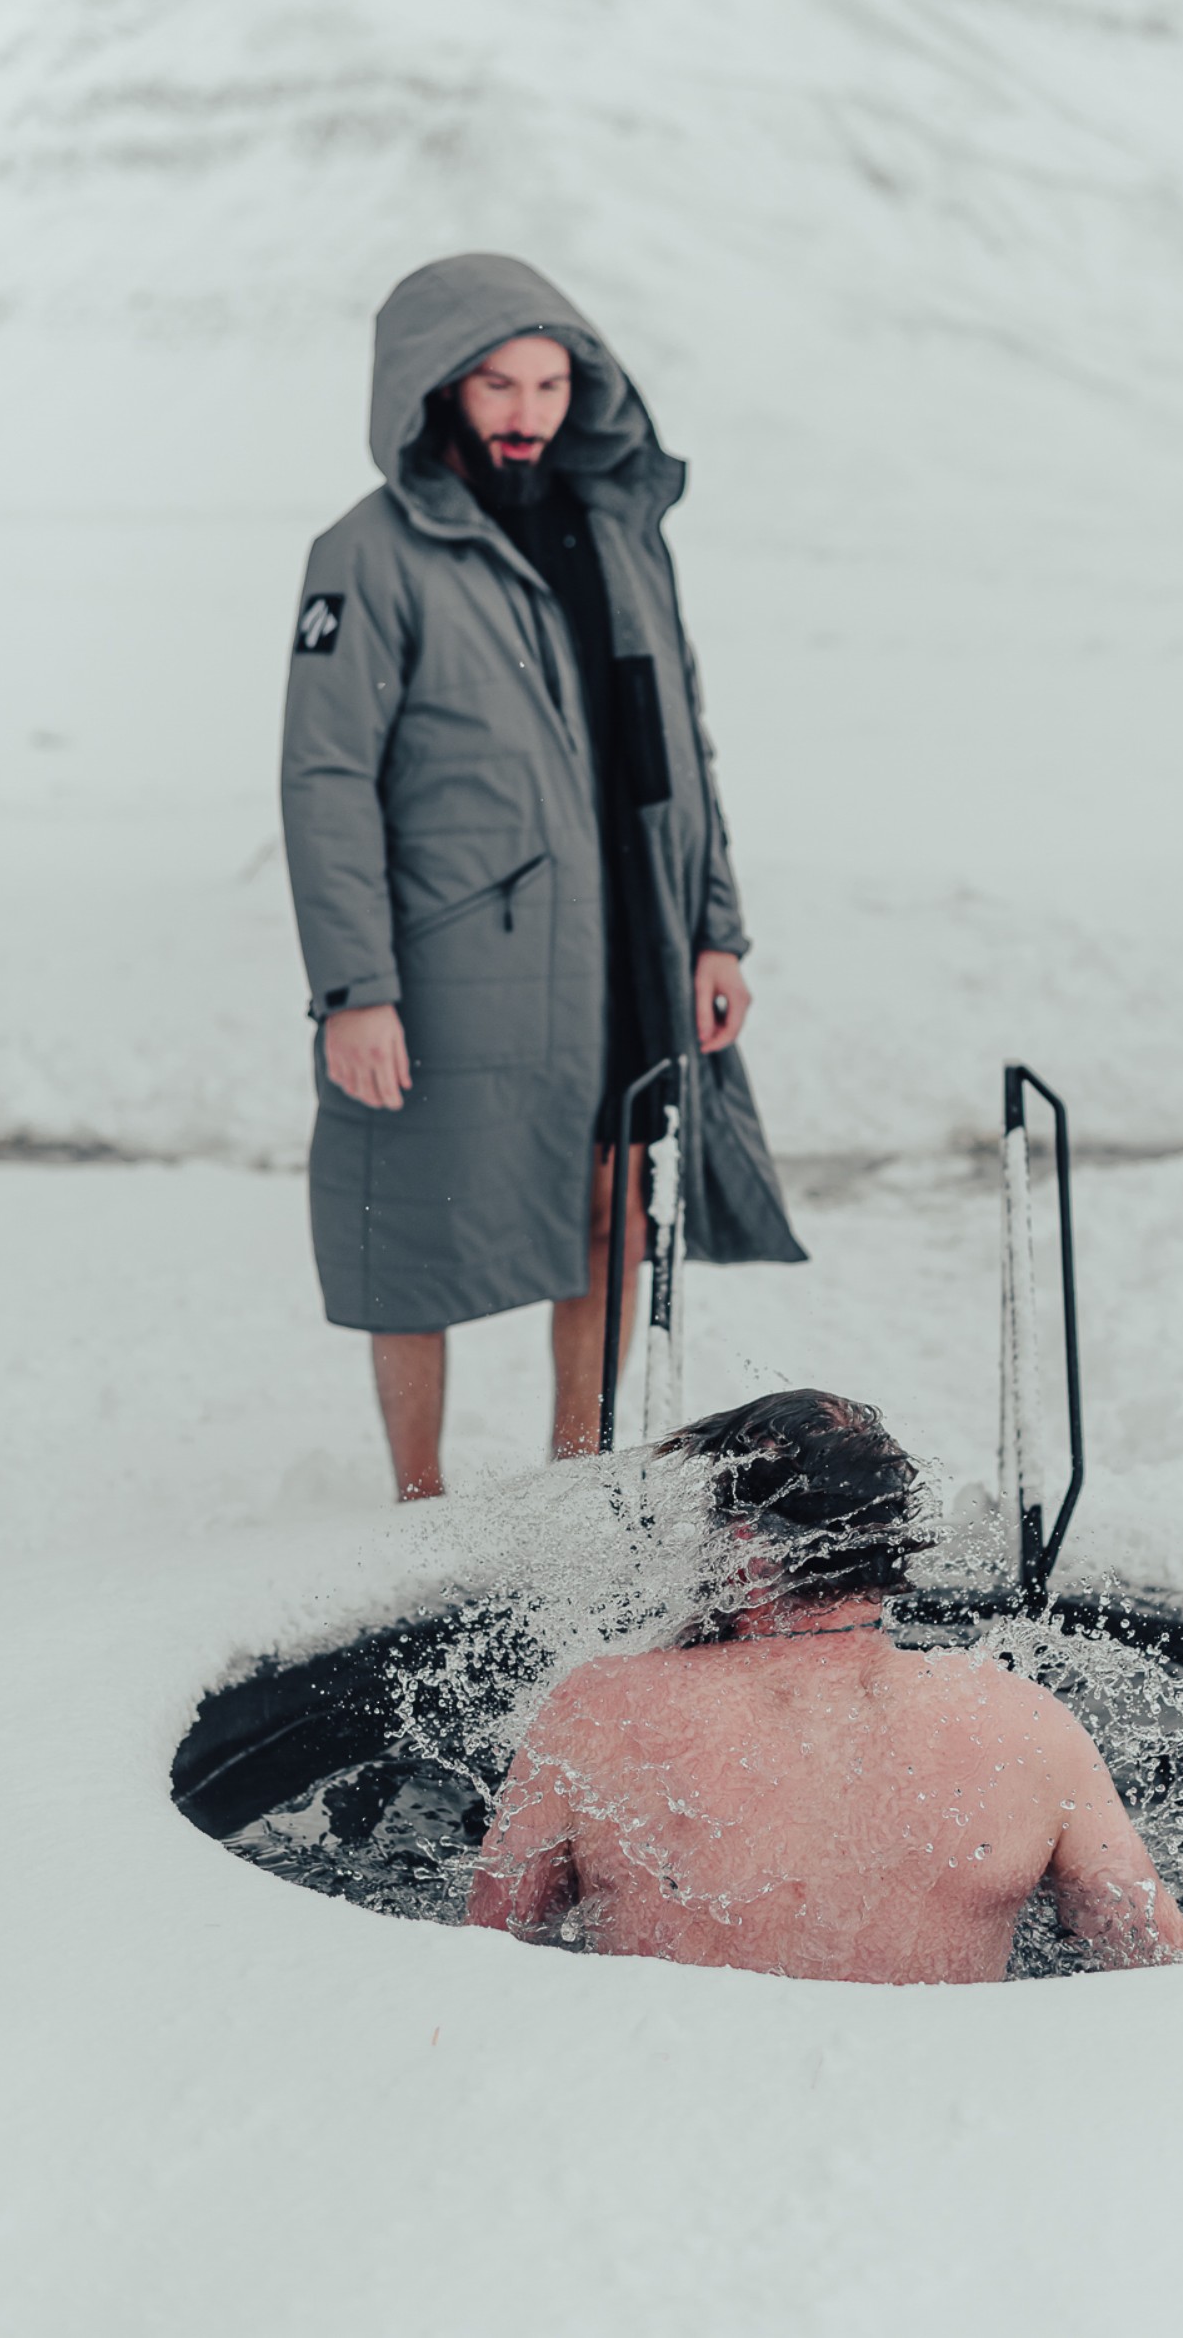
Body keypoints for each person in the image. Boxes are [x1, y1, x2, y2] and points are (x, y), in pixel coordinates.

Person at [281, 253, 803, 1492]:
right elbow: (325, 777)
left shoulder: (622, 535)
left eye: (552, 383)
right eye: (498, 384)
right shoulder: (367, 554)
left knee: (614, 1208)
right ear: (433, 389)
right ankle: (418, 1500)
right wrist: (355, 986)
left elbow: (682, 734)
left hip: (628, 928)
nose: (528, 412)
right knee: (412, 1224)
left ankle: (577, 1474)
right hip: (453, 952)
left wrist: (713, 929)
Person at [467, 1391, 1183, 1983]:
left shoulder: (598, 1708)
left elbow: (491, 1957)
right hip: (936, 2117)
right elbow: (1152, 1956)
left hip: (680, 2109)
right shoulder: (1021, 1721)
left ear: (746, 1551)